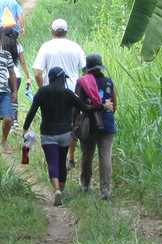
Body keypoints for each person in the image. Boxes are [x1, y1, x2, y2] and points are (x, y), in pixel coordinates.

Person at [22, 67, 107, 206]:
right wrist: (103, 106)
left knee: (52, 162)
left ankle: (56, 189)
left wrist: (25, 128)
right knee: (62, 162)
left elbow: (32, 111)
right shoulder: (68, 93)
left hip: (48, 133)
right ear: (62, 79)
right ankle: (61, 191)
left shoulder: (42, 92)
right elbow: (86, 108)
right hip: (65, 134)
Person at [31, 18, 86, 168]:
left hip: (51, 94)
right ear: (66, 32)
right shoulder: (75, 47)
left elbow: (38, 73)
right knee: (72, 122)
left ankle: (54, 154)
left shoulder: (46, 47)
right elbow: (85, 70)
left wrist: (42, 89)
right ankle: (70, 157)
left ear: (52, 32)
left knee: (51, 122)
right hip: (73, 91)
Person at [75, 53, 118, 200]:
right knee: (105, 155)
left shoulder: (81, 83)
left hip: (89, 123)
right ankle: (105, 189)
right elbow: (114, 104)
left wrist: (74, 123)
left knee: (87, 154)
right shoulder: (110, 82)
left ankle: (85, 184)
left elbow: (77, 105)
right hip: (107, 122)